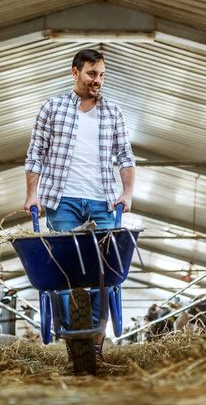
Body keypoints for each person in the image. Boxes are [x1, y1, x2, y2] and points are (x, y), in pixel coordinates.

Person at [23, 48, 136, 368]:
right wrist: (32, 195)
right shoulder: (52, 108)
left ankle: (96, 352)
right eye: (91, 74)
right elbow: (35, 154)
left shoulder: (113, 112)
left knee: (104, 274)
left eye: (101, 74)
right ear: (75, 73)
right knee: (64, 275)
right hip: (62, 200)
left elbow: (125, 156)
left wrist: (126, 193)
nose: (97, 80)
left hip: (102, 200)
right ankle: (74, 352)